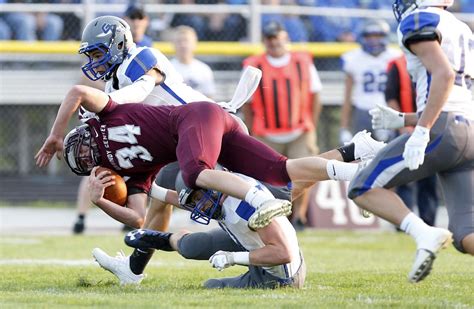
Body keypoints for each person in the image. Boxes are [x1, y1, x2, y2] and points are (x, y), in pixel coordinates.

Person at [345, 0, 473, 283]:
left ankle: (424, 233)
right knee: (465, 234)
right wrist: (404, 119)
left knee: (361, 186)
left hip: (444, 130)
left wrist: (423, 128)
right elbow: (456, 97)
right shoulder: (461, 27)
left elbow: (444, 75)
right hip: (469, 131)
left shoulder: (419, 20)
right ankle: (429, 233)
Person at [71, 15, 214, 234]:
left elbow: (140, 91)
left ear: (118, 45)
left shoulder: (140, 56)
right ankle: (138, 260)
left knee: (223, 193)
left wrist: (101, 106)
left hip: (204, 125)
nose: (94, 62)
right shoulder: (112, 84)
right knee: (164, 197)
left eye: (98, 54)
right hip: (177, 139)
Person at [93, 168, 305, 288]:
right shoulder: (227, 188)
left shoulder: (245, 207)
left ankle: (159, 241)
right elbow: (190, 198)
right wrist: (146, 187)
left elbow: (282, 252)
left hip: (280, 275)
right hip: (252, 241)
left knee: (211, 286)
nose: (199, 208)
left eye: (199, 199)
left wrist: (233, 258)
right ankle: (158, 239)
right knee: (192, 247)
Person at [242, 21, 322, 230]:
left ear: (286, 40)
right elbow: (248, 103)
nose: (274, 42)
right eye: (270, 39)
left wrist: (310, 123)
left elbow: (315, 95)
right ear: (264, 42)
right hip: (265, 132)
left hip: (299, 129)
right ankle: (271, 216)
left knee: (306, 173)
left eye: (277, 38)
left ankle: (300, 216)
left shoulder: (302, 61)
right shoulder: (253, 64)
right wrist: (250, 133)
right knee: (264, 178)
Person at [385, 55, 439, 227]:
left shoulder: (437, 61)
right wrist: (402, 124)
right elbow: (391, 96)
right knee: (404, 178)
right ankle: (404, 222)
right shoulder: (398, 64)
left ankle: (428, 222)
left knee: (429, 178)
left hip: (430, 128)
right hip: (407, 129)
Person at [339, 19, 401, 144]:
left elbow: (401, 91)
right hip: (362, 110)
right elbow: (347, 96)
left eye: (378, 36)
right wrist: (344, 127)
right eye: (370, 36)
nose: (374, 40)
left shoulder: (396, 57)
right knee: (360, 154)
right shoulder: (353, 58)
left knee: (388, 151)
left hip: (387, 110)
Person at [170, 26, 216, 98]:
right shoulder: (168, 68)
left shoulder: (204, 69)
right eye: (179, 41)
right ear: (173, 44)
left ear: (194, 43)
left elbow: (209, 97)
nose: (183, 45)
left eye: (186, 40)